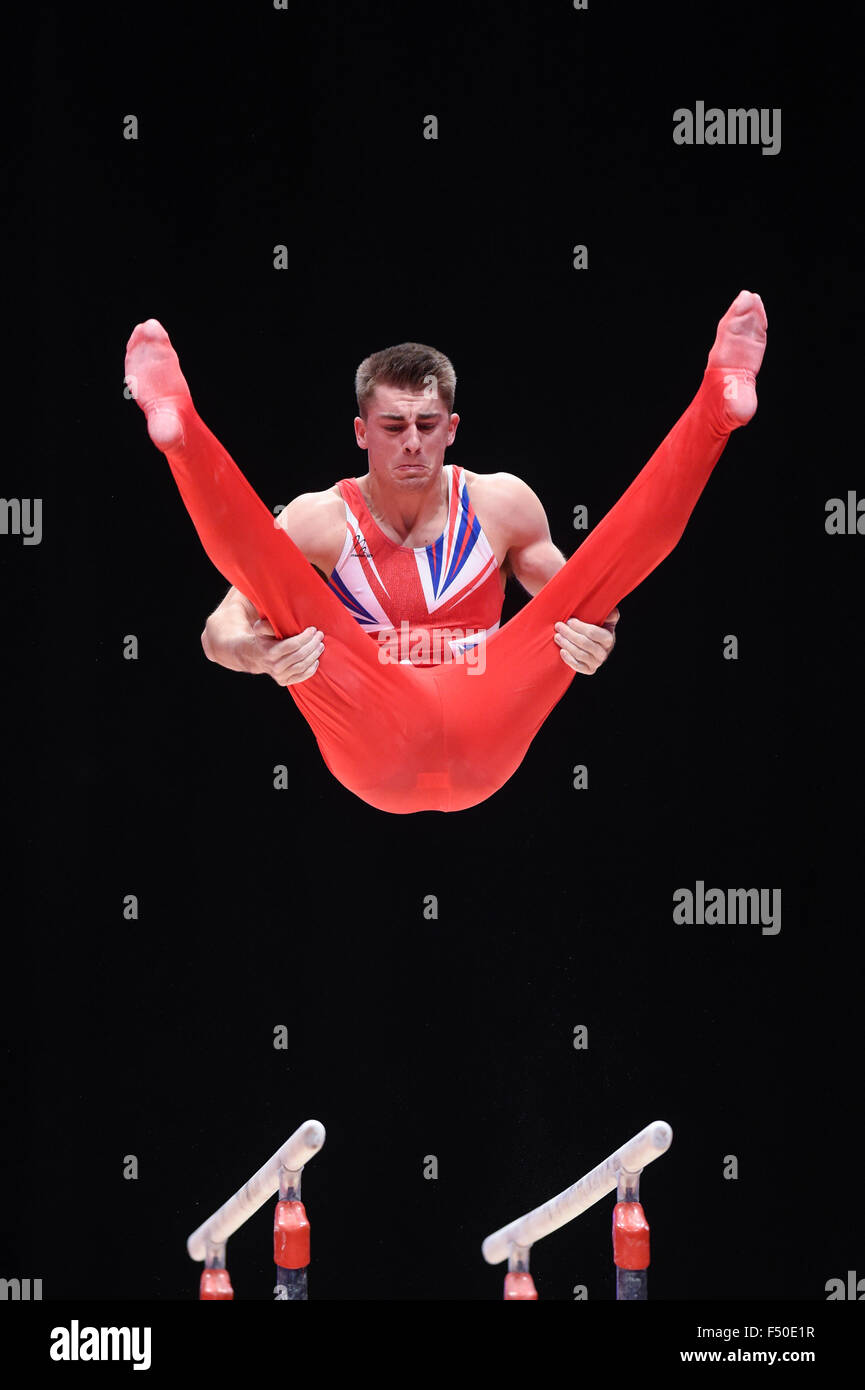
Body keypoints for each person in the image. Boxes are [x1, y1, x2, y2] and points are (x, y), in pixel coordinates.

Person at [124, 290, 767, 814]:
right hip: (370, 726)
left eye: (427, 427)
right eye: (393, 426)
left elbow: (576, 595)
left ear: (452, 429)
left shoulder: (502, 504)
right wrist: (258, 656)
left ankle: (718, 406)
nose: (412, 443)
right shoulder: (320, 519)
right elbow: (218, 630)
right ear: (360, 432)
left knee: (596, 588)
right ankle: (179, 429)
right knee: (278, 579)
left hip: (486, 710)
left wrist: (603, 632)